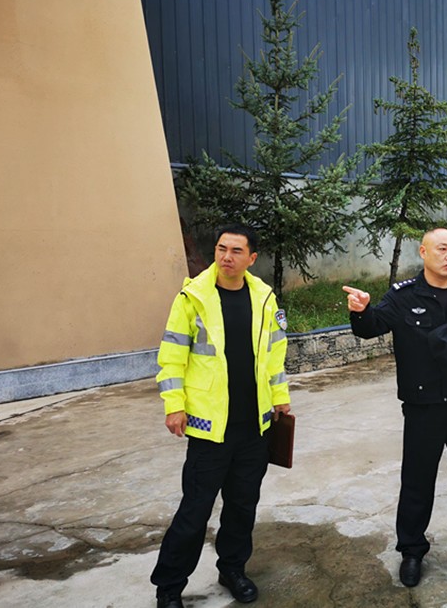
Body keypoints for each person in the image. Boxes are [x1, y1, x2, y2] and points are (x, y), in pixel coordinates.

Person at [342, 228, 447, 587]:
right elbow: (372, 327)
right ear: (424, 252)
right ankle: (412, 550)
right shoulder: (403, 296)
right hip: (422, 406)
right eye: (443, 249)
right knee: (417, 480)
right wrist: (361, 310)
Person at [151, 224, 291, 608]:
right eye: (221, 249)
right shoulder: (192, 297)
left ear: (251, 258)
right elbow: (172, 356)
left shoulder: (263, 297)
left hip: (255, 427)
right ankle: (169, 587)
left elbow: (275, 354)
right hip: (209, 429)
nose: (226, 257)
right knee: (195, 511)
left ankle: (233, 570)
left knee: (242, 507)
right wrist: (174, 405)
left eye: (236, 251)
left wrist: (280, 397)